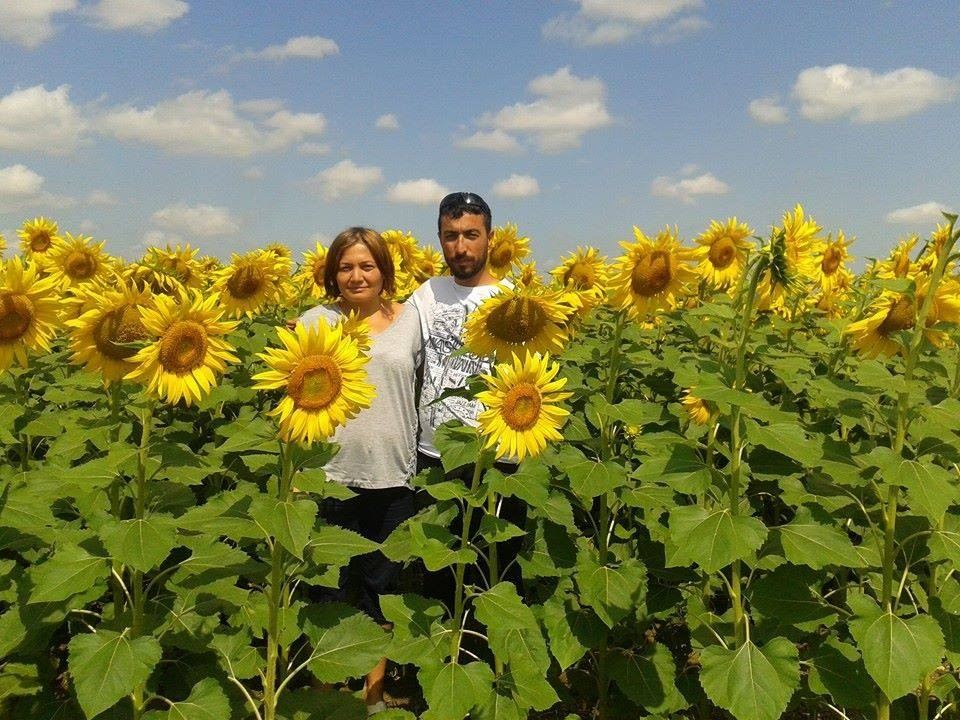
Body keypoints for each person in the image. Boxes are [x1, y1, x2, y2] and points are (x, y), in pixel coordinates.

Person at [298, 227, 421, 715]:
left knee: (381, 591)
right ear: (332, 275)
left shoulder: (411, 321)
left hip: (393, 474)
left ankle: (373, 696)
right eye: (346, 267)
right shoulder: (315, 322)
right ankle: (326, 697)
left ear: (384, 271)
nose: (356, 276)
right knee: (327, 589)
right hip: (331, 473)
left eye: (367, 266)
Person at [407, 192, 525, 606]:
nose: (461, 246)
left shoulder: (515, 301)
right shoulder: (428, 294)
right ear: (439, 239)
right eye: (450, 236)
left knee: (494, 572)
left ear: (490, 238)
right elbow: (386, 333)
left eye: (471, 235)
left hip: (498, 459)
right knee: (438, 574)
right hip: (436, 455)